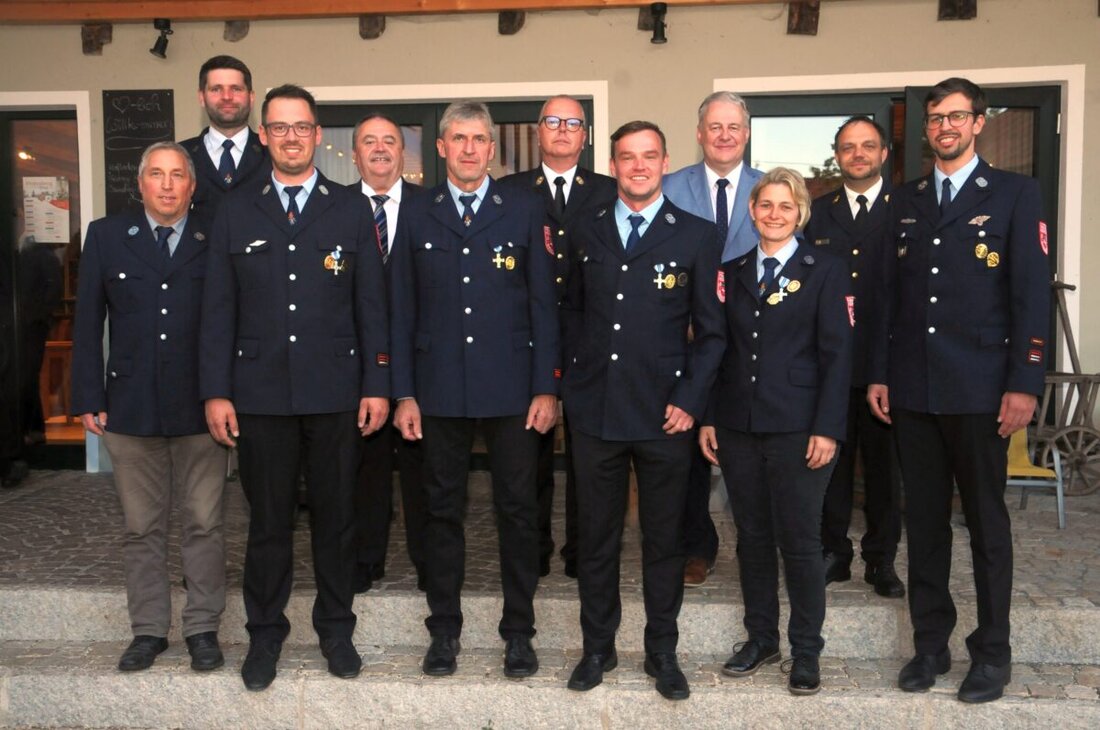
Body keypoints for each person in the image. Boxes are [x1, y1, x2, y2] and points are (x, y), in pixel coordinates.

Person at [200, 84, 390, 691]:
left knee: (337, 520)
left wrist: (377, 384)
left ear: (317, 136)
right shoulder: (233, 210)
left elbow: (372, 306)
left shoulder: (350, 208)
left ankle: (336, 629)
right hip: (258, 395)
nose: (289, 137)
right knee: (268, 523)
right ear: (264, 136)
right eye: (278, 127)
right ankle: (265, 635)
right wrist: (216, 391)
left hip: (336, 391)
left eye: (301, 127)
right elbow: (217, 309)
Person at [868, 77, 1050, 704]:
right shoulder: (907, 199)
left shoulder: (1015, 194)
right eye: (936, 118)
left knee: (985, 525)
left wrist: (1025, 383)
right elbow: (886, 299)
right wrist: (880, 373)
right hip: (914, 390)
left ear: (979, 123)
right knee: (924, 524)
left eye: (957, 117)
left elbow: (1030, 297)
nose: (945, 126)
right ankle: (929, 645)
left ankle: (992, 652)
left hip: (981, 392)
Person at [389, 101, 559, 679]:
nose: (467, 148)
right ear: (441, 148)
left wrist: (546, 387)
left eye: (478, 139)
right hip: (436, 391)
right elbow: (401, 309)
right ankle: (444, 631)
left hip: (512, 388)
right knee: (441, 512)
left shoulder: (525, 207)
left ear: (493, 149)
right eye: (457, 138)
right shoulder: (416, 213)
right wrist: (403, 393)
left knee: (518, 510)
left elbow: (544, 304)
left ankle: (519, 632)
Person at [561, 121, 725, 700]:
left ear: (665, 162)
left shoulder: (698, 236)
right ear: (613, 163)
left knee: (664, 542)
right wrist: (570, 389)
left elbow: (712, 333)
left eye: (649, 156)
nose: (638, 166)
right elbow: (571, 315)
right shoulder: (585, 228)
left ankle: (662, 652)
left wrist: (689, 401)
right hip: (595, 412)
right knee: (597, 540)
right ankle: (596, 649)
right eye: (627, 157)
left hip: (665, 417)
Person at [70, 141, 227, 673]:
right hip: (129, 408)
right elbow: (88, 323)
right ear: (139, 184)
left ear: (192, 185)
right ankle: (148, 630)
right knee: (142, 527)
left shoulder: (214, 236)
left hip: (200, 409)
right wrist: (89, 395)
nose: (166, 185)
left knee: (204, 523)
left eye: (176, 175)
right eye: (156, 175)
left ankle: (203, 626)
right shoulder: (107, 236)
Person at [700, 167, 852, 696]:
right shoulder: (732, 270)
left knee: (801, 543)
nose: (774, 214)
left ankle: (806, 650)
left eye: (786, 206)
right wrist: (711, 417)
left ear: (800, 212)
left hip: (800, 429)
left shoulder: (826, 269)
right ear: (752, 210)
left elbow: (838, 357)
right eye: (766, 204)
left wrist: (828, 428)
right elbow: (719, 351)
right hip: (740, 426)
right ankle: (761, 638)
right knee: (753, 538)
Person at [500, 95, 616, 579]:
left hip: (592, 338)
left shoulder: (611, 190)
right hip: (525, 338)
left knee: (589, 453)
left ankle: (581, 553)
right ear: (537, 132)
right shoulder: (507, 190)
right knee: (531, 452)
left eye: (574, 122)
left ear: (585, 135)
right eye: (553, 121)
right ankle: (535, 549)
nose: (563, 129)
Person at [663, 91, 764, 587]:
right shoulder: (668, 186)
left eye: (734, 127)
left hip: (751, 342)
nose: (724, 135)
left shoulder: (769, 189)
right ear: (699, 133)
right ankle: (695, 547)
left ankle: (758, 546)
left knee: (746, 443)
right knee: (686, 446)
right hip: (685, 338)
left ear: (745, 135)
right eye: (714, 127)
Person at [802, 116, 904, 598]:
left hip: (889, 363)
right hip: (830, 367)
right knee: (830, 467)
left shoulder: (908, 208)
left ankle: (881, 561)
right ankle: (834, 553)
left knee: (886, 473)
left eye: (867, 146)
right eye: (847, 147)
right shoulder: (817, 214)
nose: (857, 154)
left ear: (885, 154)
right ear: (836, 156)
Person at [347, 112, 427, 594]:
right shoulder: (333, 208)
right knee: (363, 469)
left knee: (424, 471)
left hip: (422, 361)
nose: (379, 149)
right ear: (354, 153)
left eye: (390, 141)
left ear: (404, 152)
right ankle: (364, 559)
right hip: (355, 366)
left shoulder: (430, 206)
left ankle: (427, 561)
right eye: (368, 141)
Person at [178, 55, 269, 219]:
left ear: (251, 97)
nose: (227, 97)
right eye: (216, 89)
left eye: (236, 89)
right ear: (201, 97)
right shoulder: (179, 155)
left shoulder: (272, 153)